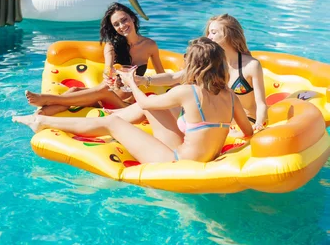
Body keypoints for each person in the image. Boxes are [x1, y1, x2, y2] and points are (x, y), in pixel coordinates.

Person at [13, 38, 254, 164]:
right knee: (144, 107)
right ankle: (102, 115)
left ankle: (42, 122)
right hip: (194, 153)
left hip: (176, 160)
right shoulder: (230, 96)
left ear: (192, 65)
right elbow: (247, 131)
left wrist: (131, 81)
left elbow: (148, 103)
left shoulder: (187, 91)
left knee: (116, 123)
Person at [132, 14, 268, 132]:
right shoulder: (211, 60)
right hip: (214, 120)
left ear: (229, 34)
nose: (208, 37)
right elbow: (174, 77)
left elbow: (261, 103)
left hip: (243, 123)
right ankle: (115, 115)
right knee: (151, 103)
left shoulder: (251, 65)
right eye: (208, 32)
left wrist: (259, 124)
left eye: (213, 32)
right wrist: (144, 80)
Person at [25, 2, 165, 115]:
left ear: (132, 18)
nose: (122, 26)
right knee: (75, 91)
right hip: (103, 96)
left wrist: (177, 86)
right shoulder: (111, 46)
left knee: (103, 91)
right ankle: (39, 115)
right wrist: (110, 73)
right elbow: (108, 69)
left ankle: (47, 99)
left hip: (124, 104)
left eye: (124, 20)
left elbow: (161, 74)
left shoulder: (149, 45)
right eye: (116, 24)